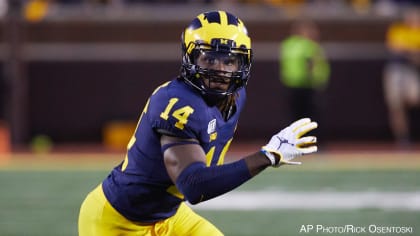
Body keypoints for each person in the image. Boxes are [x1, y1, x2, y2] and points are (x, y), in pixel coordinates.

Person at [78, 10, 318, 236]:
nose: (220, 70)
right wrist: (266, 156)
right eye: (210, 59)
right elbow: (193, 185)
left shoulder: (236, 96)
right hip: (117, 222)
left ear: (243, 64)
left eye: (230, 61)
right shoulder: (178, 103)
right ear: (189, 58)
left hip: (168, 217)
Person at [279, 19, 330, 134]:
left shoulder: (288, 44)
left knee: (295, 116)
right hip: (307, 85)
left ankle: (295, 141)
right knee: (310, 115)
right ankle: (312, 140)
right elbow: (310, 64)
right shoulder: (308, 45)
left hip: (290, 84)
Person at [383, 7, 420, 146]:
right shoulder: (398, 29)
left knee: (414, 98)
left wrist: (409, 51)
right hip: (396, 70)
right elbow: (396, 47)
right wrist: (412, 51)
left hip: (412, 71)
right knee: (396, 105)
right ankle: (403, 139)